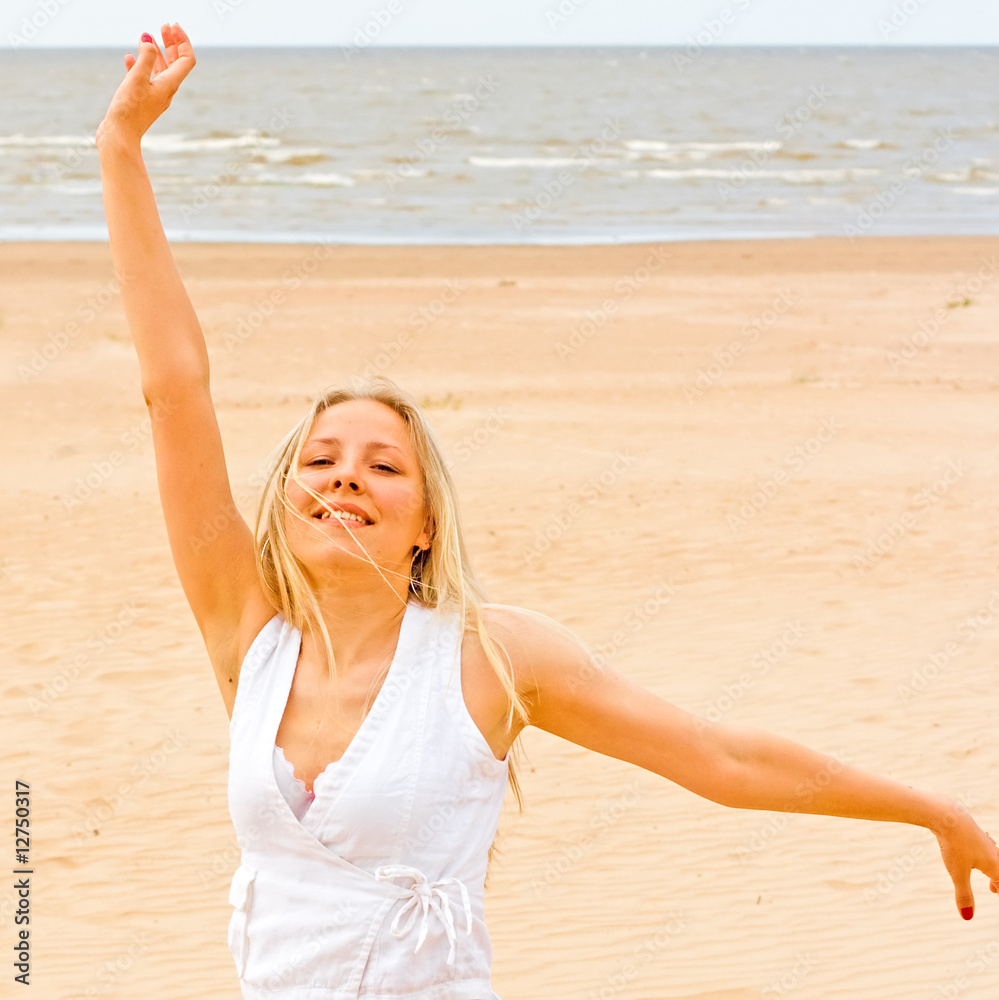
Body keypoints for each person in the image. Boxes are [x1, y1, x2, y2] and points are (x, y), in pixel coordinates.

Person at [97, 23, 999, 1000]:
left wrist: (929, 808)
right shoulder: (249, 632)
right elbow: (174, 391)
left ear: (428, 521)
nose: (345, 477)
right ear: (285, 500)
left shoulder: (490, 657)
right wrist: (121, 148)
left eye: (382, 466)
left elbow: (717, 755)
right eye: (319, 459)